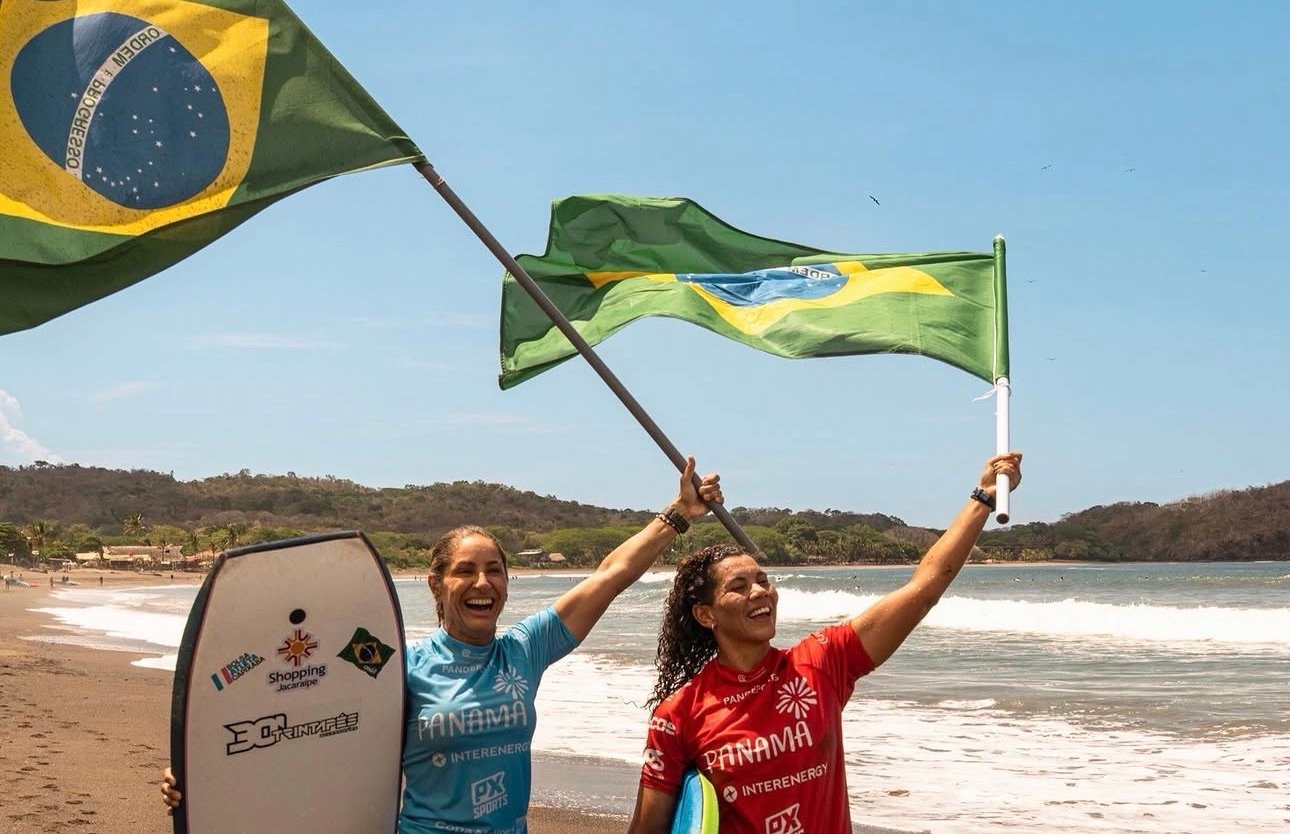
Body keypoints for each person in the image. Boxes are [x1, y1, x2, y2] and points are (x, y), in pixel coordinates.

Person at [162, 457, 723, 833]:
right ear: (436, 583)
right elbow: (306, 729)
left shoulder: (525, 650)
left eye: (494, 570)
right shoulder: (395, 666)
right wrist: (206, 775)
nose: (482, 584)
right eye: (465, 571)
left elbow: (609, 575)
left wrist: (677, 516)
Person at [627, 452, 1023, 834]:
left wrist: (983, 497)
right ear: (706, 614)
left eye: (762, 580)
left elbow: (922, 590)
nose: (760, 592)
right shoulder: (678, 715)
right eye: (739, 586)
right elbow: (649, 828)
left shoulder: (820, 662)